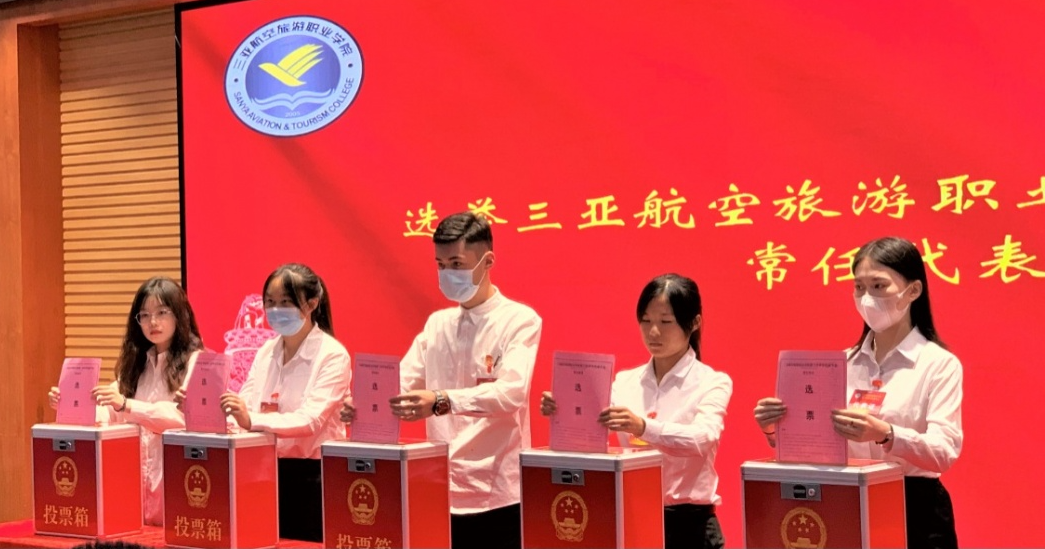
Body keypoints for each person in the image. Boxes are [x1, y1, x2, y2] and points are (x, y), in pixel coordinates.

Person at [346, 212, 541, 549]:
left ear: (487, 261)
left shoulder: (519, 320)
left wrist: (441, 400)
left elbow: (511, 393)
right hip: (439, 487)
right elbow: (401, 384)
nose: (447, 273)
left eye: (456, 264)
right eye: (440, 265)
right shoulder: (438, 324)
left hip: (497, 492)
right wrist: (363, 405)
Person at [753, 237, 962, 549]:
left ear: (913, 291)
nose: (867, 298)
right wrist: (776, 428)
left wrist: (886, 434)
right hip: (846, 501)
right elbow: (820, 444)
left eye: (878, 286)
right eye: (859, 287)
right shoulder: (843, 363)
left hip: (914, 508)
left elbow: (944, 451)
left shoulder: (938, 364)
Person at [540, 273, 732, 549]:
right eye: (646, 320)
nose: (653, 332)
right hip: (633, 518)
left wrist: (642, 427)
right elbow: (592, 425)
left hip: (690, 525)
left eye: (666, 322)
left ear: (694, 323)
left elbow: (702, 438)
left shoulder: (712, 382)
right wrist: (562, 408)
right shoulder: (624, 382)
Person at [48, 276, 204, 527]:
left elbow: (183, 418)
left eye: (162, 312)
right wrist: (69, 405)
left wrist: (128, 405)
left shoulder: (197, 362)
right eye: (145, 315)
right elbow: (108, 413)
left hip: (179, 478)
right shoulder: (136, 365)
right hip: (135, 485)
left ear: (179, 314)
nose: (153, 322)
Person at [220, 263, 350, 543]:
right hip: (263, 472)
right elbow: (246, 401)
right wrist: (215, 412)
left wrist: (252, 420)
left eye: (286, 303)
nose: (275, 310)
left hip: (313, 478)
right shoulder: (266, 350)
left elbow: (310, 420)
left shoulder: (332, 355)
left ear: (312, 303)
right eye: (270, 302)